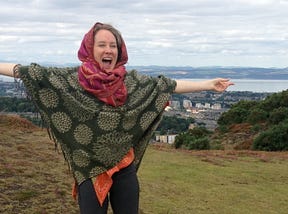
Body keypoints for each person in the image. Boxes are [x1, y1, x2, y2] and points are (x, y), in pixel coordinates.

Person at [0, 22, 234, 214]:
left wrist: (209, 84)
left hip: (124, 167)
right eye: (102, 44)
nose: (108, 50)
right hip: (89, 170)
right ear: (90, 49)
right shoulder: (70, 80)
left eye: (113, 45)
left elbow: (168, 86)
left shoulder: (131, 82)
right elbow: (29, 72)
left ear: (119, 51)